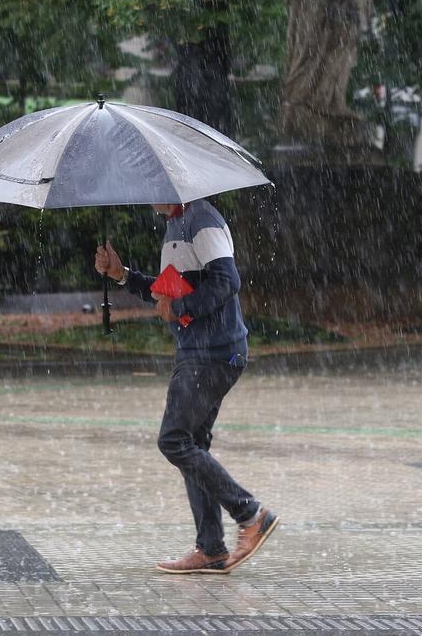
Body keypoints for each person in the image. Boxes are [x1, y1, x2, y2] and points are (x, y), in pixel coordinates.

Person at [95, 199, 279, 574]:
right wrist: (122, 275)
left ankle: (251, 515)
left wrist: (181, 311)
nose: (147, 194)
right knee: (192, 445)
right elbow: (170, 291)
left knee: (174, 440)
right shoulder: (176, 225)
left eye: (153, 184)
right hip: (200, 350)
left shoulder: (202, 221)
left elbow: (227, 281)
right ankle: (211, 549)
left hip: (212, 353)